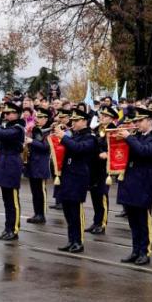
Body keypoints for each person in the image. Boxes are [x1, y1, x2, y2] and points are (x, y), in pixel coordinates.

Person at [114, 106, 152, 265]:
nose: (137, 124)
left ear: (149, 121)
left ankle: (144, 252)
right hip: (130, 180)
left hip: (144, 182)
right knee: (133, 221)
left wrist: (128, 137)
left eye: (140, 121)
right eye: (136, 121)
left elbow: (144, 151)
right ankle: (135, 250)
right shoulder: (137, 136)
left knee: (143, 220)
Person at [54, 108, 97, 253]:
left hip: (79, 176)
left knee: (76, 211)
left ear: (84, 121)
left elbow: (79, 149)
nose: (73, 123)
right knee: (67, 210)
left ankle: (79, 241)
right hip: (67, 175)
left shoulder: (90, 137)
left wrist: (64, 137)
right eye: (72, 120)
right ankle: (71, 240)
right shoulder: (74, 135)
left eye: (76, 120)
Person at [0, 101, 27, 241]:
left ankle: (14, 229)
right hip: (4, 161)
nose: (6, 115)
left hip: (12, 162)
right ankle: (7, 228)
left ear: (17, 114)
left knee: (13, 200)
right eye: (5, 113)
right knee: (6, 200)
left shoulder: (18, 128)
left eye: (9, 113)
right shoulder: (7, 126)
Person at [85, 107, 116, 234]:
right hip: (94, 165)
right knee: (94, 195)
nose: (102, 117)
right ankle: (96, 221)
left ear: (111, 118)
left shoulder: (113, 130)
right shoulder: (98, 128)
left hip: (104, 167)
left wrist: (108, 154)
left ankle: (102, 223)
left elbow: (117, 148)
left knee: (102, 195)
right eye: (101, 115)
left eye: (105, 116)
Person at [24, 109, 52, 224]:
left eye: (40, 117)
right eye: (37, 117)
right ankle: (36, 213)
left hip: (41, 164)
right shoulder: (35, 130)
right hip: (32, 164)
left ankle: (41, 215)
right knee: (34, 191)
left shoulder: (49, 132)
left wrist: (32, 141)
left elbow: (46, 147)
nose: (37, 119)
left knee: (40, 191)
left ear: (45, 119)